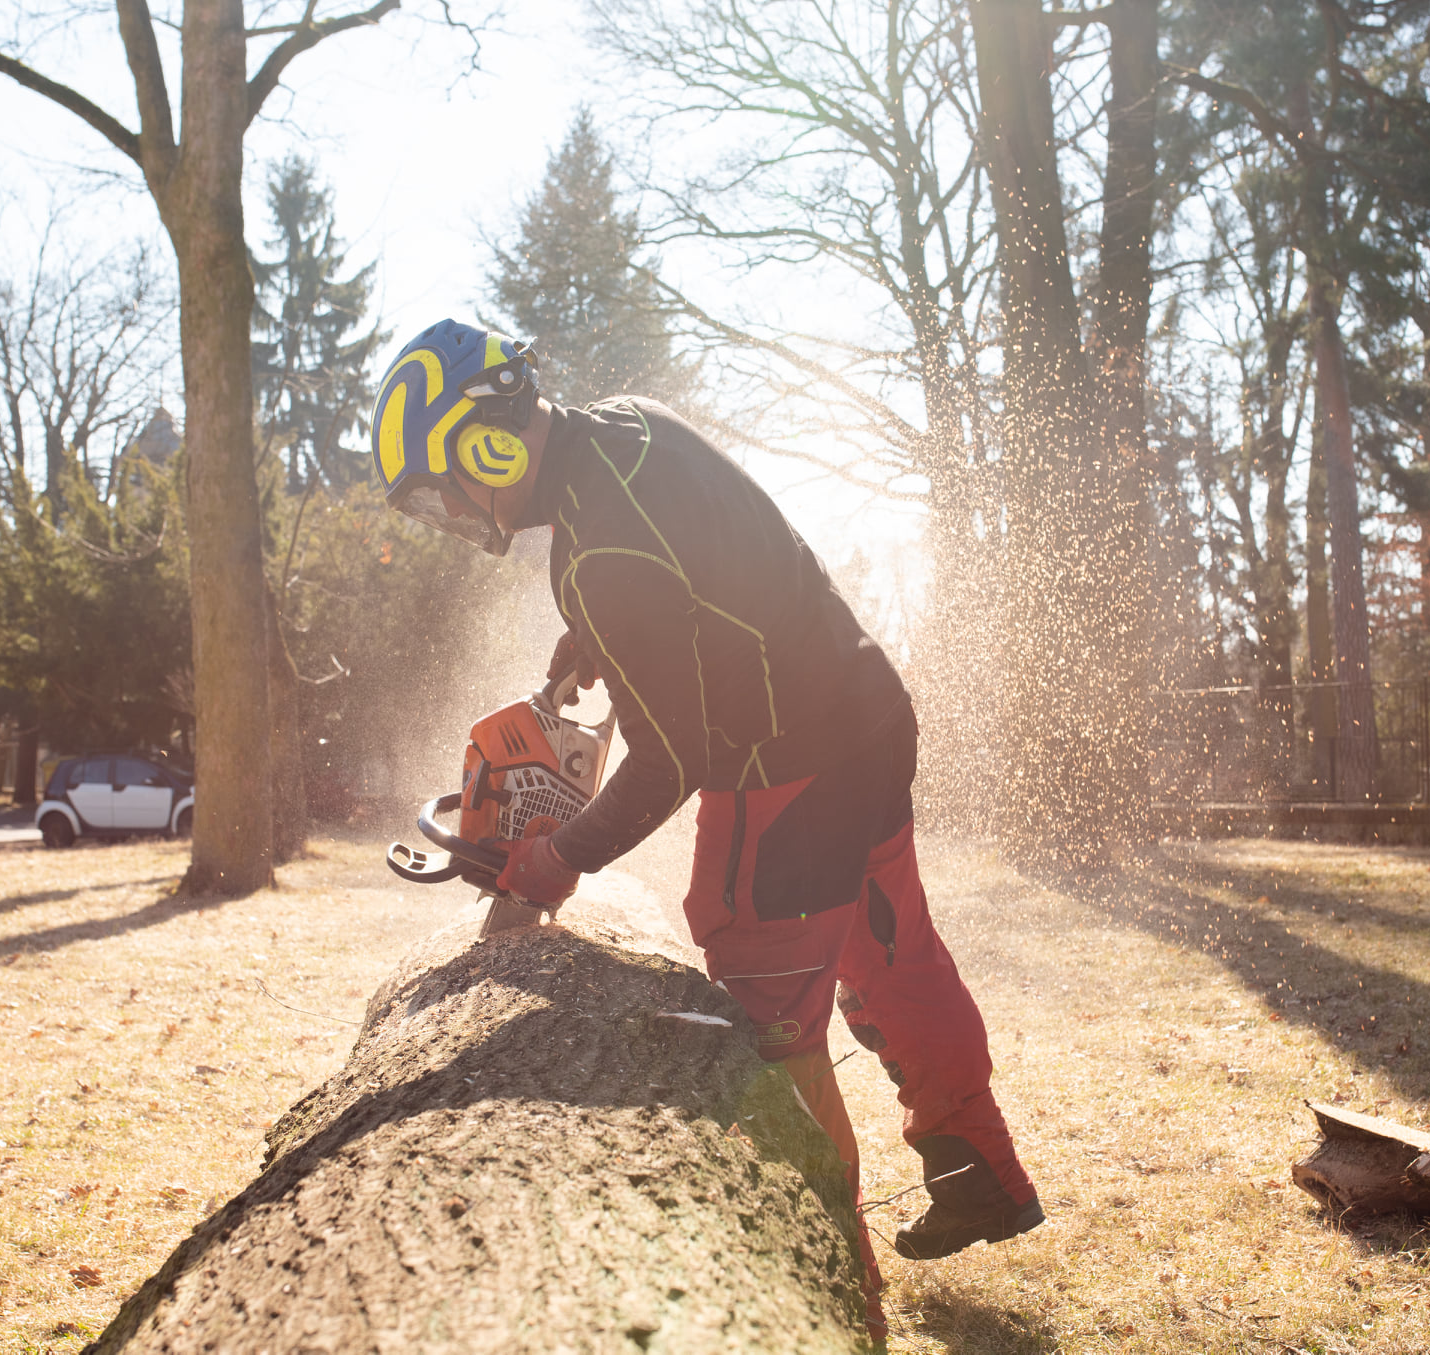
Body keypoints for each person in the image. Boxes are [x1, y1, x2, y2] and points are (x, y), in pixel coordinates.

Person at [371, 318, 1044, 1286]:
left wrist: (560, 856)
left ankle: (829, 1288)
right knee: (888, 946)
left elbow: (668, 757)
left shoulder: (595, 556)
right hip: (863, 706)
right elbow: (707, 564)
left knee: (763, 1031)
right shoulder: (623, 428)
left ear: (485, 439)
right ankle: (979, 1170)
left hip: (789, 761)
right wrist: (599, 637)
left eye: (444, 488)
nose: (451, 511)